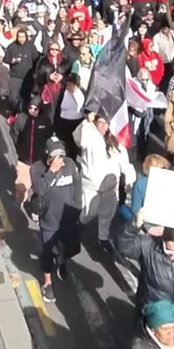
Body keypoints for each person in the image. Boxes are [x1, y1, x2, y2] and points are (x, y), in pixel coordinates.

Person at [30, 136, 81, 303]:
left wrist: (77, 208)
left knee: (69, 248)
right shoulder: (37, 169)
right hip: (49, 220)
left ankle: (62, 261)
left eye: (62, 154)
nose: (61, 159)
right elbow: (39, 190)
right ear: (48, 155)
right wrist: (51, 171)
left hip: (68, 218)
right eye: (56, 155)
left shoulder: (71, 165)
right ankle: (48, 282)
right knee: (47, 253)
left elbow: (77, 188)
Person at [76, 113, 135, 252]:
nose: (103, 126)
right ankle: (80, 223)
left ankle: (103, 237)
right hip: (91, 185)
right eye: (100, 122)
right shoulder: (89, 135)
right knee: (90, 212)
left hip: (110, 186)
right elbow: (80, 139)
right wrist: (87, 121)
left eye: (106, 123)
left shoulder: (115, 141)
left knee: (107, 212)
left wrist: (129, 179)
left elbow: (124, 162)